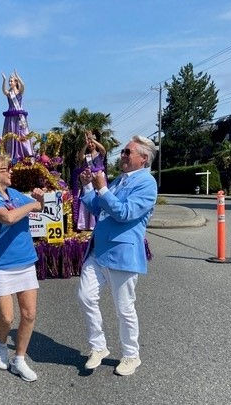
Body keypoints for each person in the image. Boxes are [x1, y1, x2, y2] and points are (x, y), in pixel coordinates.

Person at [77, 135, 157, 376]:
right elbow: (97, 206)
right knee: (85, 296)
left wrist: (102, 187)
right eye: (122, 151)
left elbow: (124, 212)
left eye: (127, 152)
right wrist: (88, 186)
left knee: (124, 308)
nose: (122, 155)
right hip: (99, 251)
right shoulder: (120, 180)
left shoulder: (147, 183)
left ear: (143, 158)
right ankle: (98, 347)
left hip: (123, 254)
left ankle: (132, 355)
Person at [0, 155, 45, 382]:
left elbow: (36, 207)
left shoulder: (15, 194)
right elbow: (7, 217)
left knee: (29, 314)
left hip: (25, 260)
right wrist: (33, 204)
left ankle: (19, 360)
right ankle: (1, 344)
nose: (11, 172)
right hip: (0, 265)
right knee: (6, 318)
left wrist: (39, 200)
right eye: (6, 169)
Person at [76, 131, 106, 231]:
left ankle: (97, 223)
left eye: (92, 143)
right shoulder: (87, 156)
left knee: (99, 197)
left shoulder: (100, 154)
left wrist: (92, 139)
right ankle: (85, 224)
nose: (91, 145)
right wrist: (86, 143)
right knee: (88, 198)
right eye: (90, 144)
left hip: (99, 177)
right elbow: (80, 157)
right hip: (88, 178)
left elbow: (103, 149)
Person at [1, 71, 34, 160]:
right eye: (9, 81)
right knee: (11, 134)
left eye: (11, 81)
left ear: (16, 82)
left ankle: (23, 153)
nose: (10, 83)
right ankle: (11, 154)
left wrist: (17, 76)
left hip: (19, 117)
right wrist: (4, 80)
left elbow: (23, 84)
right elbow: (4, 91)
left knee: (21, 133)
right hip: (10, 116)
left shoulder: (20, 92)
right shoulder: (9, 93)